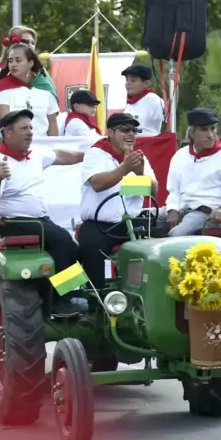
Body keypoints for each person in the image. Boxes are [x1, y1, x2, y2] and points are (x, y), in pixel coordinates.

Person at [0, 110, 85, 314]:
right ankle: (63, 300)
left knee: (77, 244)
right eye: (24, 128)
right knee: (63, 241)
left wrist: (87, 156)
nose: (30, 132)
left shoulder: (35, 155)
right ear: (7, 132)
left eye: (31, 128)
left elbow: (61, 156)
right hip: (13, 224)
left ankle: (65, 292)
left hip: (39, 221)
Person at [77, 113, 162, 322]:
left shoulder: (138, 157)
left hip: (132, 222)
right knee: (89, 246)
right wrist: (125, 168)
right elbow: (97, 183)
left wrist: (141, 171)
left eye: (134, 130)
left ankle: (154, 302)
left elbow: (154, 191)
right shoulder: (95, 154)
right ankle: (94, 307)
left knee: (163, 242)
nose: (131, 134)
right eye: (125, 129)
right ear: (111, 132)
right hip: (99, 224)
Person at [160, 108, 221, 236]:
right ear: (191, 133)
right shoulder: (180, 155)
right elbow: (174, 190)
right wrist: (172, 209)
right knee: (142, 219)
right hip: (182, 207)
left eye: (213, 128)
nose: (211, 134)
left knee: (176, 234)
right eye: (204, 129)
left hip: (207, 212)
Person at [0, 43, 60, 136]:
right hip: (15, 147)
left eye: (18, 60)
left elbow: (53, 124)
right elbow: (5, 124)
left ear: (30, 63)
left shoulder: (45, 89)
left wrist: (53, 148)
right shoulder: (3, 89)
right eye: (10, 61)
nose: (13, 64)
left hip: (44, 147)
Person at [121, 64, 164, 136]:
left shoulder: (154, 100)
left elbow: (171, 114)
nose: (128, 83)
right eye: (127, 79)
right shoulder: (127, 102)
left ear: (146, 83)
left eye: (133, 80)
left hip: (149, 144)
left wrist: (176, 86)